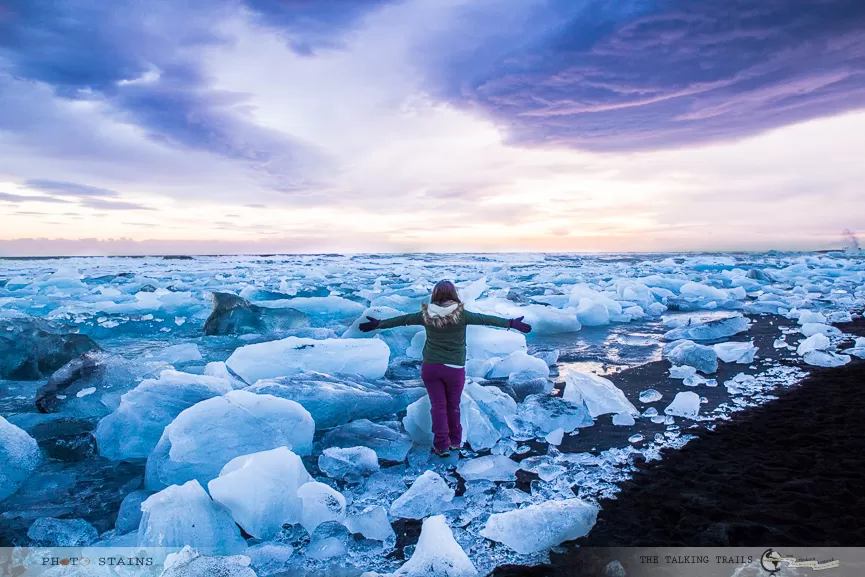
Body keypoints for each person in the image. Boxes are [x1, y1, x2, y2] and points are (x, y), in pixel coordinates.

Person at [359, 280, 531, 457]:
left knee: (438, 406)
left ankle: (441, 446)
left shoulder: (425, 315)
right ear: (453, 294)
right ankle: (455, 442)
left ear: (435, 295)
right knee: (453, 406)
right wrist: (511, 323)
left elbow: (403, 320)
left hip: (431, 368)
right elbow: (485, 319)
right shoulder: (462, 314)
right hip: (454, 368)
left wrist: (379, 324)